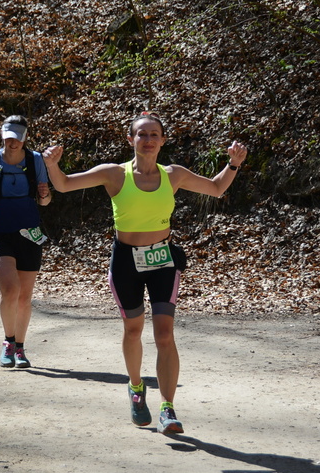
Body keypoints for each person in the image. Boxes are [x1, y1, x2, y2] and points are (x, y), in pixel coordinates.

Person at [42, 112, 247, 434]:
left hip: (163, 260)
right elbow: (65, 185)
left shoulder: (173, 175)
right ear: (131, 140)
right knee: (134, 331)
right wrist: (52, 165)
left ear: (163, 140)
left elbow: (218, 188)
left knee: (165, 334)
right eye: (142, 135)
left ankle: (168, 408)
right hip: (125, 261)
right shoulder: (114, 174)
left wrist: (233, 163)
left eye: (154, 135)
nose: (148, 140)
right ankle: (136, 388)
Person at [0, 115, 52, 369]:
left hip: (29, 233)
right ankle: (8, 342)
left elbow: (45, 201)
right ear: (2, 135)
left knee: (24, 297)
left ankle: (20, 348)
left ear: (24, 138)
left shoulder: (35, 160)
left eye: (16, 138)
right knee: (10, 289)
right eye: (8, 137)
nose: (12, 142)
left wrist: (45, 194)